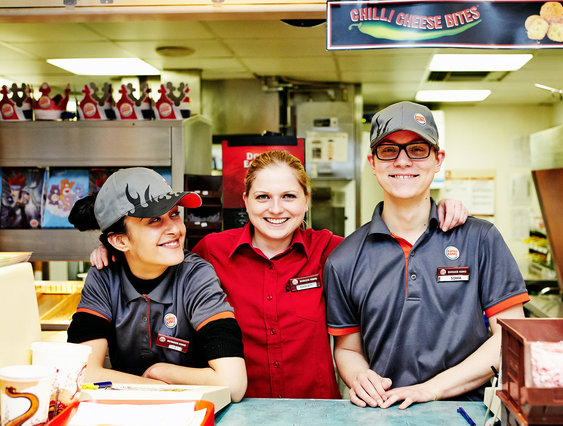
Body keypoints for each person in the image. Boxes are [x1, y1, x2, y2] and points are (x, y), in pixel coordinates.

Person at [91, 151, 468, 399]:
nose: (276, 209)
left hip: (319, 413)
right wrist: (109, 251)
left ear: (307, 201)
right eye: (263, 197)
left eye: (289, 197)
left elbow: (398, 240)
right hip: (237, 409)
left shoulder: (334, 250)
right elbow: (154, 254)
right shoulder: (212, 251)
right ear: (246, 202)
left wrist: (437, 208)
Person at [324, 101, 530, 409]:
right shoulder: (343, 260)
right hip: (385, 412)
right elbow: (348, 350)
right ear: (372, 162)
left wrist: (429, 389)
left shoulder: (479, 239)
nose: (403, 162)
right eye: (388, 150)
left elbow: (509, 339)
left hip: (469, 413)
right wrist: (361, 378)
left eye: (417, 149)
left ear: (438, 159)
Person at [67, 167, 247, 402]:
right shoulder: (103, 277)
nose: (174, 229)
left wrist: (162, 371)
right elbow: (79, 373)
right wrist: (154, 385)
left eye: (174, 214)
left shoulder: (196, 275)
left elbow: (234, 384)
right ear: (120, 240)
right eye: (154, 220)